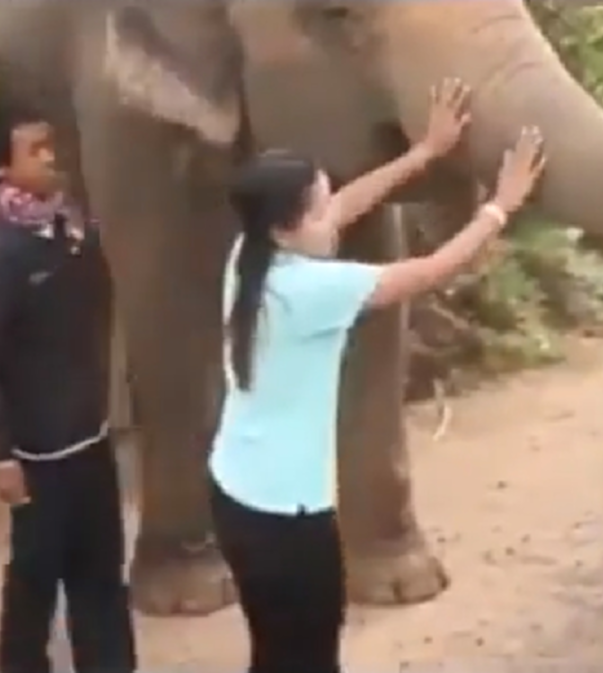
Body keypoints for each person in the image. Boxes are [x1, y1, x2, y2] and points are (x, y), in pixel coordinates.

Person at [207, 77, 546, 673]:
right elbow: (432, 268)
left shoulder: (251, 256)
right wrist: (501, 206)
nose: (330, 210)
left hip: (236, 493)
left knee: (273, 650)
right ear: (287, 227)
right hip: (289, 518)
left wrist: (425, 152)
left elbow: (347, 204)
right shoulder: (313, 288)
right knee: (310, 655)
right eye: (318, 205)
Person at [0, 102, 136, 673]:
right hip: (38, 455)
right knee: (36, 578)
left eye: (50, 144)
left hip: (89, 438)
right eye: (33, 150)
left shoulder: (72, 230)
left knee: (102, 572)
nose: (50, 157)